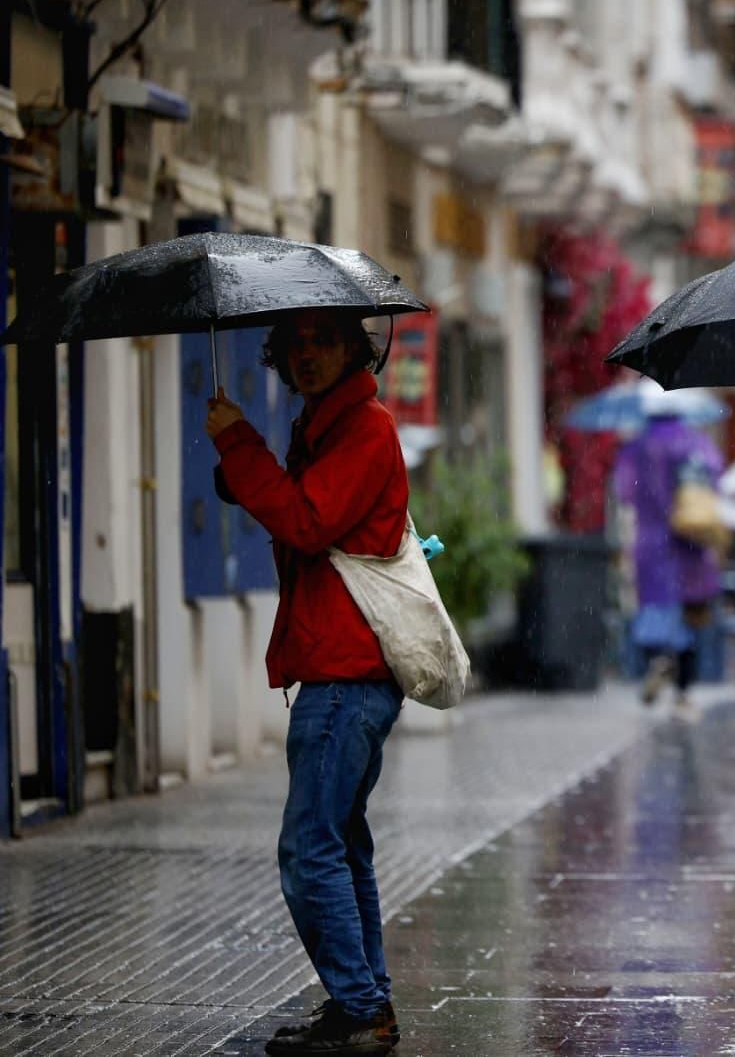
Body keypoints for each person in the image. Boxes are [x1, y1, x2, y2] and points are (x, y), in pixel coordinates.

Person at [207, 311, 407, 1057]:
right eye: (295, 344)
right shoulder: (324, 424)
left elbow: (308, 520)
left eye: (323, 340)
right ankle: (363, 1002)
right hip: (336, 667)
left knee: (309, 850)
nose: (308, 354)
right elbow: (294, 504)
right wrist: (245, 466)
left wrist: (238, 440)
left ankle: (361, 1008)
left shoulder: (365, 428)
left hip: (345, 674)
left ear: (355, 347)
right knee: (341, 846)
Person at [612, 399, 725, 708]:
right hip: (692, 542)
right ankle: (683, 693)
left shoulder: (636, 448)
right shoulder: (697, 443)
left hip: (651, 545)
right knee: (690, 618)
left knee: (654, 612)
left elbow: (624, 491)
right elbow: (716, 481)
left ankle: (659, 659)